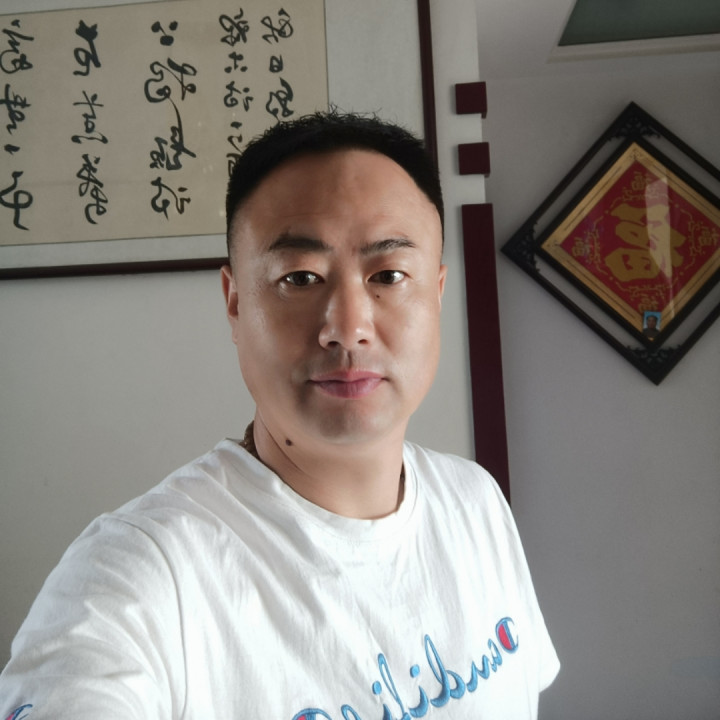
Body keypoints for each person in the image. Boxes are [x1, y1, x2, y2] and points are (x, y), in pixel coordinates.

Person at [0, 112, 559, 719]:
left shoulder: (475, 503)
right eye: (300, 277)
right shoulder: (137, 575)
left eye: (389, 276)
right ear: (235, 304)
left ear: (438, 293)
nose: (348, 327)